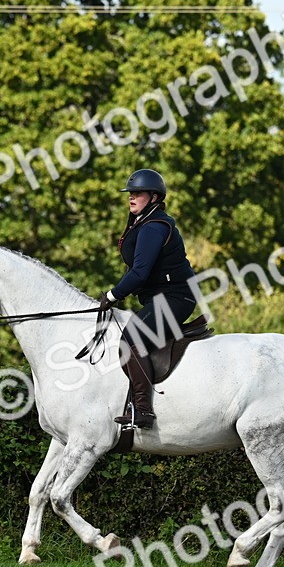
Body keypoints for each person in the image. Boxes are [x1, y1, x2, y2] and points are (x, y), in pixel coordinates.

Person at [97, 169, 197, 429]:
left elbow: (139, 273)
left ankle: (143, 410)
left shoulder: (154, 226)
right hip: (161, 298)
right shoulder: (142, 222)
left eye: (137, 193)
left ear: (153, 197)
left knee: (130, 339)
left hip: (176, 298)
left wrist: (112, 295)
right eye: (130, 194)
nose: (131, 198)